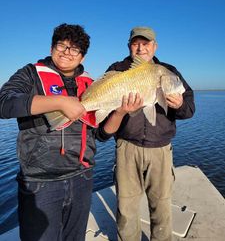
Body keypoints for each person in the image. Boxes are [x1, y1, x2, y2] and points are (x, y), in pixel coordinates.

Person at [0, 23, 98, 241]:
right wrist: (59, 102)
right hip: (40, 182)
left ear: (82, 57)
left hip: (82, 177)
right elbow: (4, 103)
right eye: (61, 46)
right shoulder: (30, 74)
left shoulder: (91, 84)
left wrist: (120, 112)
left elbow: (101, 134)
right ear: (52, 47)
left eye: (74, 49)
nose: (66, 53)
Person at [97, 26, 195, 241]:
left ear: (154, 46)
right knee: (126, 206)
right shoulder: (118, 69)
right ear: (129, 46)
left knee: (161, 206)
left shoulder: (168, 71)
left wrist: (178, 104)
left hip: (160, 149)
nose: (141, 48)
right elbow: (102, 121)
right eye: (136, 43)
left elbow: (189, 109)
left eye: (146, 43)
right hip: (126, 148)